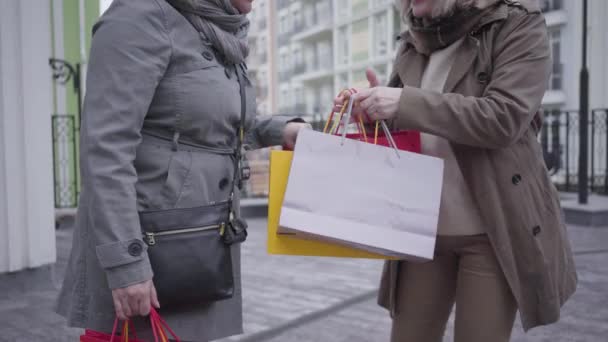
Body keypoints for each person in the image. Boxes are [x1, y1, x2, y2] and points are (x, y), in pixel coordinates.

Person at [55, 0, 309, 341]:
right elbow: (106, 151)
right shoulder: (141, 16)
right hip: (151, 248)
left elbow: (218, 123)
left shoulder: (215, 29)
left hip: (199, 240)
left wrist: (283, 130)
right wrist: (127, 266)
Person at [334, 0, 577, 341]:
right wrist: (372, 107)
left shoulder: (518, 24)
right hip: (420, 229)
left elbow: (504, 118)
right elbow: (410, 122)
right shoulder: (414, 39)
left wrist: (403, 102)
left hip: (492, 232)